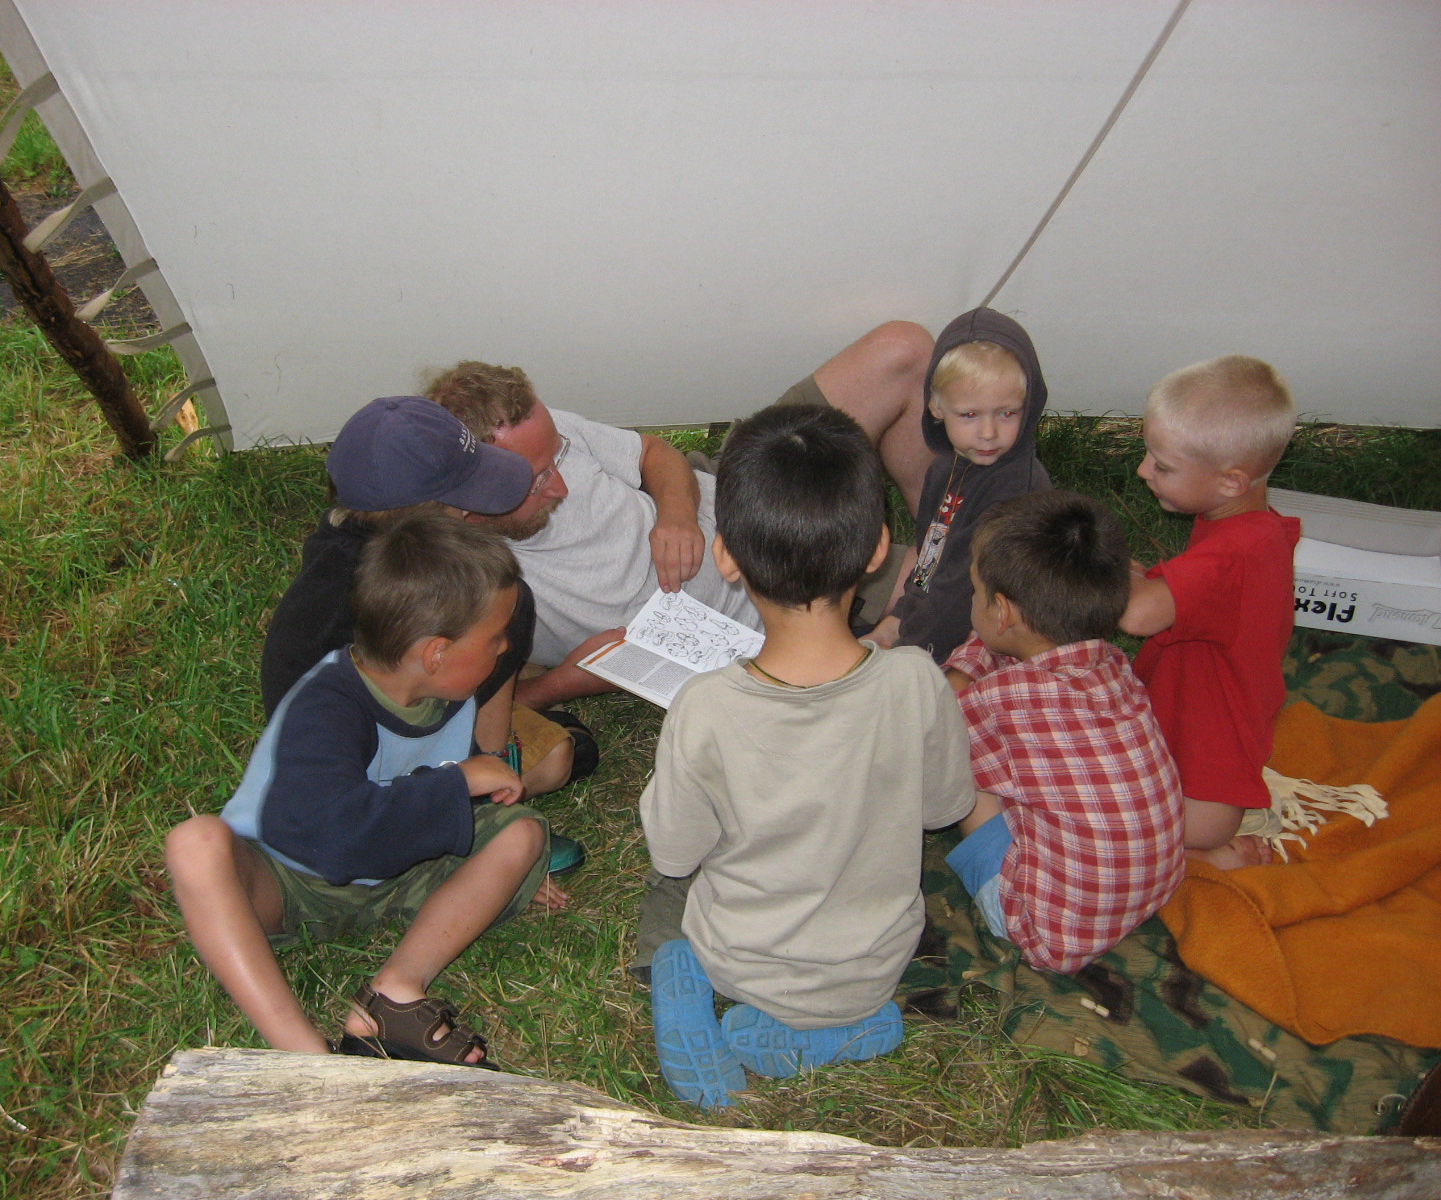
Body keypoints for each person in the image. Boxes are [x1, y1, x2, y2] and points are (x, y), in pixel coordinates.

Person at [636, 406, 976, 1108]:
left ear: (726, 556)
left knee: (666, 900)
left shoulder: (705, 707)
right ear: (878, 549)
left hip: (737, 962)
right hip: (874, 966)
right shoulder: (916, 680)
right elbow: (946, 808)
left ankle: (681, 987)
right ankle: (843, 1029)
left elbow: (673, 852)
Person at [165, 514, 564, 1066]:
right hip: (292, 880)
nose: (505, 647)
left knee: (521, 835)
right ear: (436, 653)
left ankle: (395, 992)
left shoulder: (447, 688)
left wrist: (494, 866)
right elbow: (336, 839)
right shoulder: (326, 705)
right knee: (195, 844)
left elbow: (424, 799)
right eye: (495, 637)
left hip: (401, 869)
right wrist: (458, 783)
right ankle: (308, 1056)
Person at [425, 321, 937, 709]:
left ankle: (935, 522)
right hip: (792, 594)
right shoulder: (454, 576)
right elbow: (467, 709)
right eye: (535, 481)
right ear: (470, 507)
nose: (560, 485)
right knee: (945, 582)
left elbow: (652, 453)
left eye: (557, 457)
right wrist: (563, 684)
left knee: (904, 348)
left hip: (733, 483)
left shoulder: (529, 430)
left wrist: (676, 515)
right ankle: (931, 555)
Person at [258, 395, 596, 830]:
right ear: (429, 516)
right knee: (561, 754)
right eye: (464, 501)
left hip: (322, 754)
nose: (474, 509)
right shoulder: (458, 592)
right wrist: (492, 780)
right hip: (378, 782)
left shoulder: (340, 545)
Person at [942, 491, 1185, 975]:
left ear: (1002, 611)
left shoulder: (999, 705)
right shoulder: (1111, 664)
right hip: (1156, 887)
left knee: (963, 769)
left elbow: (925, 750)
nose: (971, 599)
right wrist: (968, 670)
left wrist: (951, 691)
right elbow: (996, 644)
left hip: (1048, 934)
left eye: (974, 590)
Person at [1120, 356, 1301, 870]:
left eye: (1163, 466)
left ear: (1230, 482)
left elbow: (1137, 616)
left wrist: (1106, 567)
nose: (1143, 470)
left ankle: (1203, 857)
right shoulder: (1250, 527)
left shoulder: (1234, 554)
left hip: (1205, 771)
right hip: (1199, 714)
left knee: (1114, 822)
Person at [866, 307, 1051, 663]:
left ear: (1028, 407)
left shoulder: (1017, 492)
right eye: (969, 415)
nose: (988, 432)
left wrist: (913, 650)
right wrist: (896, 622)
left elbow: (958, 590)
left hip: (998, 643)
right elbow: (931, 560)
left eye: (1006, 413)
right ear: (936, 407)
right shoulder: (944, 471)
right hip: (943, 627)